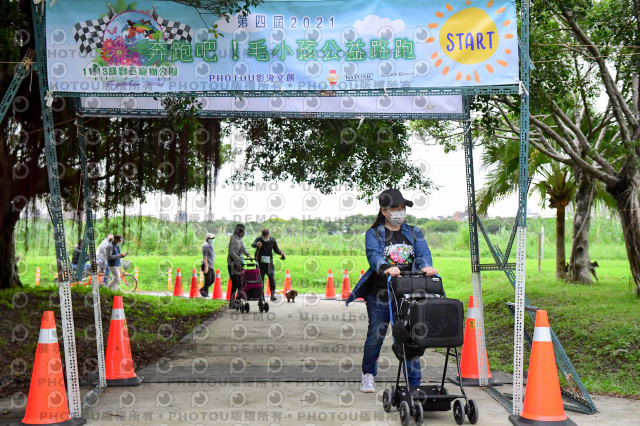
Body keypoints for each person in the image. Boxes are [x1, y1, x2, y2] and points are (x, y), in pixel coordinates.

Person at [345, 189, 438, 393]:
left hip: (406, 295)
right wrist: (386, 267)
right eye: (395, 208)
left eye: (402, 208)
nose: (400, 212)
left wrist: (427, 266)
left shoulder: (414, 232)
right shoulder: (374, 233)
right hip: (380, 294)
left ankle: (413, 382)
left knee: (410, 337)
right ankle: (368, 374)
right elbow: (374, 256)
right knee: (375, 336)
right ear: (384, 211)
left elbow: (423, 253)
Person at [251, 228, 285, 302]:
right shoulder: (259, 239)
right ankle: (261, 295)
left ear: (269, 235)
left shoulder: (272, 240)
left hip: (269, 263)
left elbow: (276, 249)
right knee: (260, 279)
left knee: (271, 278)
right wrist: (257, 244)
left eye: (267, 237)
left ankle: (272, 295)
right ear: (262, 235)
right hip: (260, 263)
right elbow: (252, 245)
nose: (266, 238)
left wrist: (281, 253)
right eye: (264, 237)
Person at [227, 224, 251, 308]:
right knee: (235, 283)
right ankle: (232, 302)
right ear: (239, 231)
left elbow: (243, 248)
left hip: (239, 264)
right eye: (243, 231)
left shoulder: (240, 239)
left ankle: (238, 299)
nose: (244, 233)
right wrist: (238, 258)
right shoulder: (233, 238)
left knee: (240, 282)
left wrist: (247, 254)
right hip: (232, 264)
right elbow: (231, 252)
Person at [200, 233, 215, 297]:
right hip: (206, 265)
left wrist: (212, 265)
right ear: (207, 238)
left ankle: (203, 290)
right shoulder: (206, 245)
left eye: (213, 238)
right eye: (211, 238)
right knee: (208, 280)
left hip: (210, 265)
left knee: (212, 279)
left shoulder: (210, 246)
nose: (212, 239)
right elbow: (205, 257)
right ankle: (205, 293)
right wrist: (206, 266)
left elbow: (211, 257)